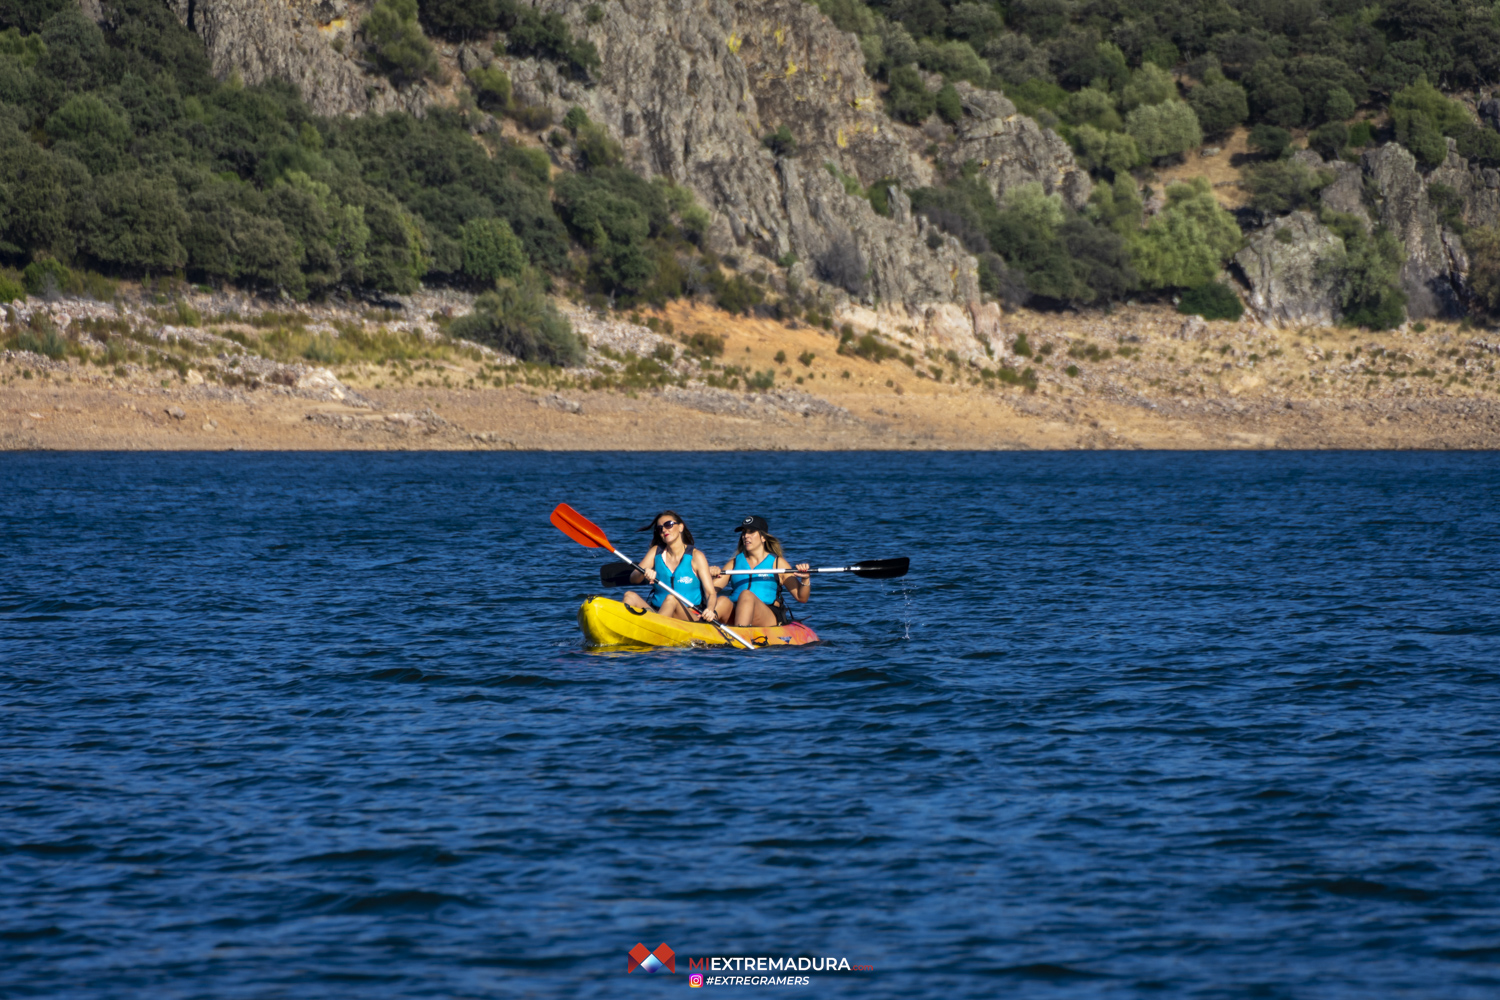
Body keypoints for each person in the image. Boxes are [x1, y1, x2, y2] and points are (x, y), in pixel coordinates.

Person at [710, 515, 810, 628]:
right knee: (722, 600)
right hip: (736, 609)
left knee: (746, 595)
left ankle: (741, 632)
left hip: (767, 614)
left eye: (751, 532)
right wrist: (710, 575)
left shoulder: (777, 563)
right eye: (744, 532)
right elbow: (710, 590)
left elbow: (802, 597)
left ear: (763, 538)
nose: (745, 536)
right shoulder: (734, 563)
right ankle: (704, 627)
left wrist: (805, 578)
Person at [623, 511, 721, 621]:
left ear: (680, 527)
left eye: (668, 524)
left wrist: (710, 609)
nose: (664, 530)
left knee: (671, 599)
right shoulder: (655, 552)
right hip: (658, 612)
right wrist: (644, 572)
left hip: (689, 616)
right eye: (660, 528)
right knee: (629, 596)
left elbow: (710, 593)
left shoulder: (696, 556)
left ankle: (656, 626)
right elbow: (633, 578)